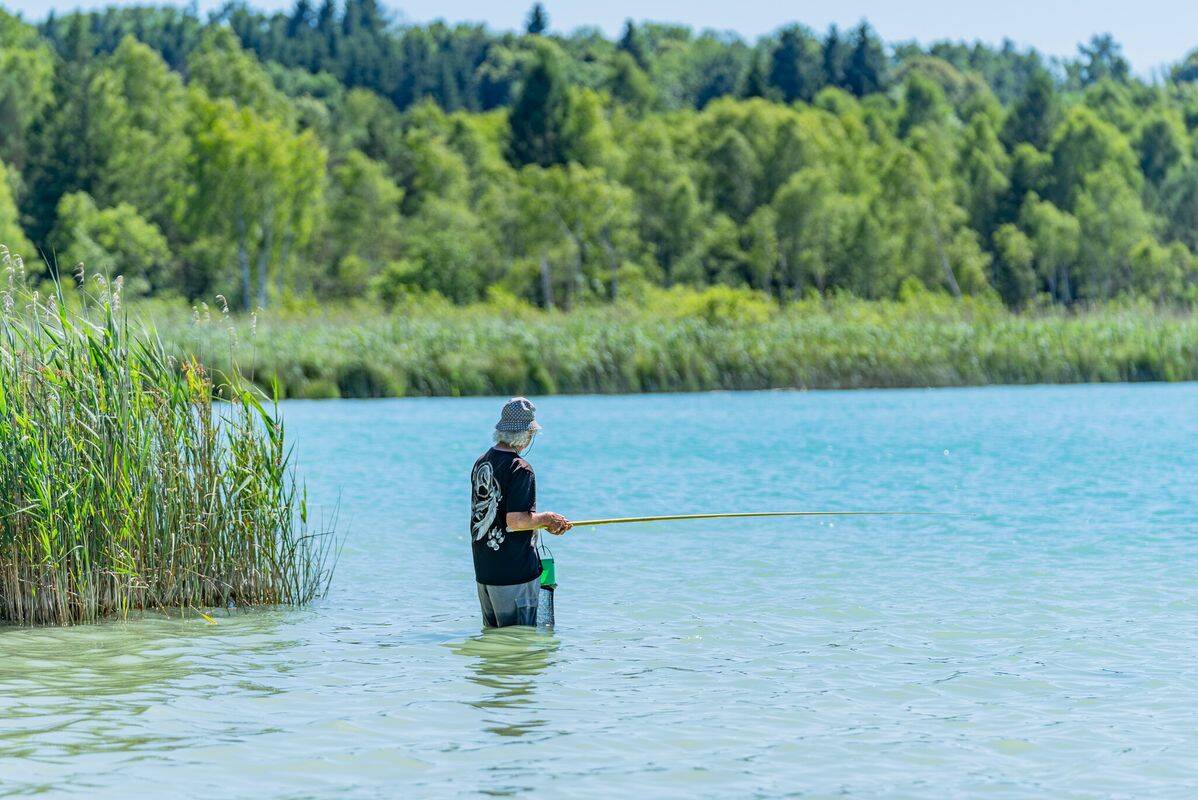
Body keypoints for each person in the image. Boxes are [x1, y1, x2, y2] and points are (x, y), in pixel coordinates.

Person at [470, 397, 571, 628]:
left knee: (496, 644)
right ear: (526, 435)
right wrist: (547, 519)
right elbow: (515, 521)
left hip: (485, 570)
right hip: (514, 573)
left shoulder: (481, 462)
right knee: (519, 644)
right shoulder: (520, 468)